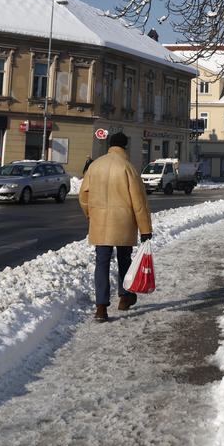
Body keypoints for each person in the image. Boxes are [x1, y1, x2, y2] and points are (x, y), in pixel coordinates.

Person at [79, 132, 152, 322]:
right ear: (125, 147)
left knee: (101, 263)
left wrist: (90, 214)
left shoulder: (95, 166)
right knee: (124, 260)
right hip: (124, 222)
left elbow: (83, 196)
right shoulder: (128, 168)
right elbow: (139, 202)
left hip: (100, 222)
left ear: (110, 145)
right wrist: (145, 229)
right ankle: (125, 297)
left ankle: (101, 307)